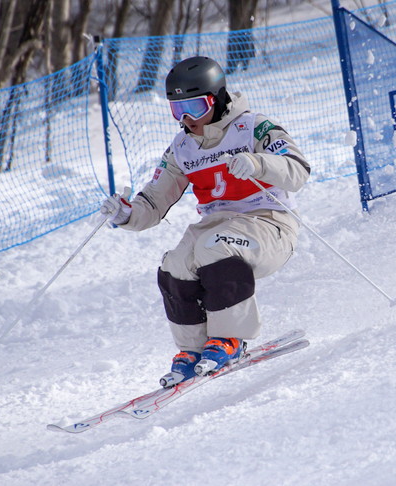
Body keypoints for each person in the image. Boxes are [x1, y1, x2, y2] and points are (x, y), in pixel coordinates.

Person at [101, 56, 310, 387]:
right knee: (175, 264)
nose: (186, 119)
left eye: (195, 107)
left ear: (218, 98)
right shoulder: (182, 148)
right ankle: (194, 349)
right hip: (218, 225)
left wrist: (258, 164)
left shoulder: (254, 127)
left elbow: (298, 171)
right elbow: (156, 199)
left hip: (269, 223)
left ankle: (230, 338)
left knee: (217, 247)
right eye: (176, 110)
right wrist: (127, 214)